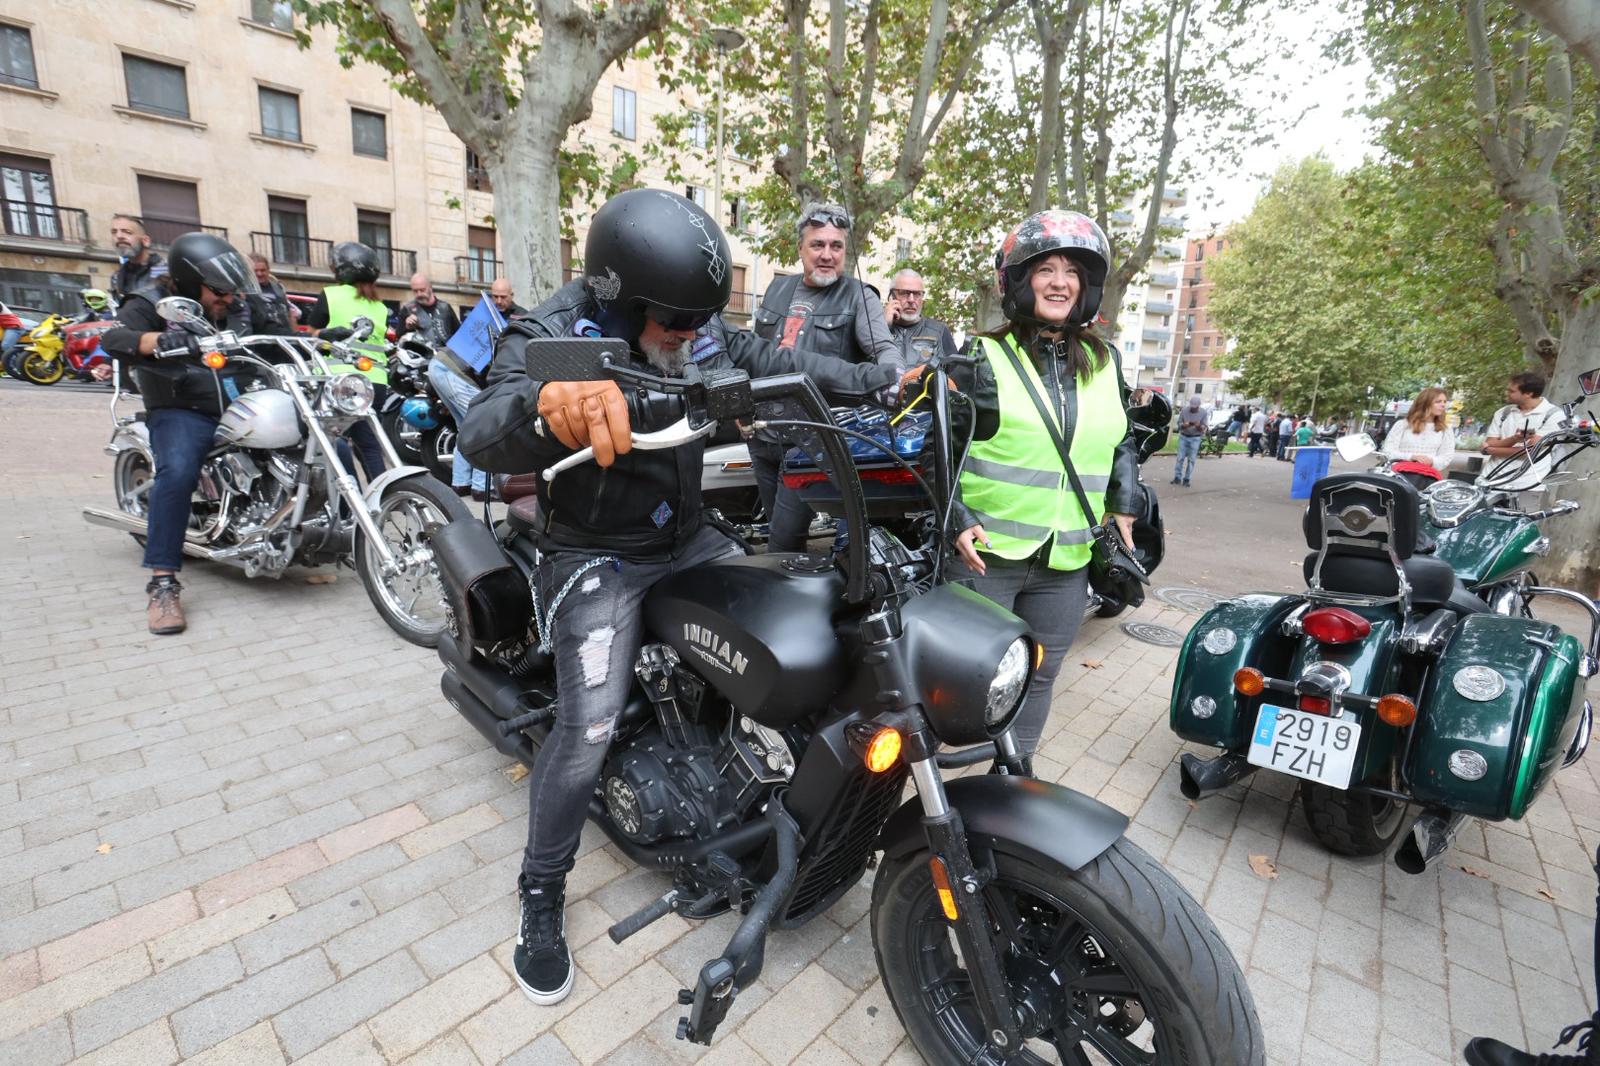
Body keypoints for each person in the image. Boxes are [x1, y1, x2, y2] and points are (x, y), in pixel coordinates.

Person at [458, 189, 899, 1007]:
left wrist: (882, 377)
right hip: (596, 551)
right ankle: (541, 893)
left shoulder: (698, 327)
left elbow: (773, 362)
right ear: (618, 298)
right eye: (674, 325)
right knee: (586, 728)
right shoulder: (555, 334)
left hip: (689, 533)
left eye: (701, 324)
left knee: (790, 635)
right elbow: (481, 430)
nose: (691, 340)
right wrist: (544, 407)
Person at [936, 209, 1139, 762]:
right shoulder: (984, 356)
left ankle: (1012, 779)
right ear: (1019, 281)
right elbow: (940, 450)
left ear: (1086, 287)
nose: (1059, 282)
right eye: (1045, 269)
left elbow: (1122, 440)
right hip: (987, 557)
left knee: (1040, 678)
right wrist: (955, 520)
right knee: (970, 683)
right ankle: (939, 793)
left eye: (1072, 271)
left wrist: (1125, 502)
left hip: (1068, 562)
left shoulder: (1106, 361)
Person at [100, 233, 290, 634]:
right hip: (182, 407)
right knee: (179, 472)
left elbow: (282, 338)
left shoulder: (241, 304)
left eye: (231, 289)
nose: (227, 297)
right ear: (187, 281)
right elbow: (114, 339)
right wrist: (161, 339)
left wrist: (325, 341)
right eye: (218, 290)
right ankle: (163, 582)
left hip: (242, 401)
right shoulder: (150, 300)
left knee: (323, 444)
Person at [750, 202, 902, 551]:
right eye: (818, 244)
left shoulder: (858, 296)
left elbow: (884, 348)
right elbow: (755, 351)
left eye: (837, 246)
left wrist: (898, 377)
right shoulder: (777, 289)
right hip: (762, 436)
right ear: (800, 248)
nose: (827, 255)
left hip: (811, 441)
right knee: (779, 532)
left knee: (783, 541)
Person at [303, 242, 392, 481]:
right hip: (376, 382)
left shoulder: (331, 295)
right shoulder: (380, 306)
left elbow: (312, 336)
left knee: (335, 442)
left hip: (340, 381)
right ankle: (382, 496)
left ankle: (350, 500)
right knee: (370, 445)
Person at [1481, 370, 1566, 499]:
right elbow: (1491, 441)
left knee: (1522, 519)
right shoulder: (1504, 412)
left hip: (1528, 485)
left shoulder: (1554, 415)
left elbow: (1530, 452)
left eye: (1511, 391)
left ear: (1528, 393)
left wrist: (1491, 450)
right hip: (1491, 480)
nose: (1507, 393)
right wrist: (1514, 439)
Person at [884, 268, 957, 367]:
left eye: (917, 294)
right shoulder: (874, 328)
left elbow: (955, 375)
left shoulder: (940, 331)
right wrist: (883, 326)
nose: (911, 300)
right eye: (904, 293)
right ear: (892, 296)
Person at [108, 215, 166, 303]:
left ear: (145, 240)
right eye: (114, 232)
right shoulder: (117, 277)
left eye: (127, 232)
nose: (119, 236)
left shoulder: (164, 269)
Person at [399, 273, 461, 347]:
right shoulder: (407, 309)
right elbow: (398, 336)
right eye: (415, 291)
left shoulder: (445, 307)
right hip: (422, 356)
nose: (419, 294)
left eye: (422, 290)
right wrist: (407, 327)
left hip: (447, 356)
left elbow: (459, 333)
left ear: (430, 288)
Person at [249, 252, 299, 330]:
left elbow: (290, 314)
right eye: (255, 271)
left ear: (268, 270)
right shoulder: (245, 291)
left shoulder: (278, 288)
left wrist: (296, 336)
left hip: (284, 336)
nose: (259, 274)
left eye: (263, 270)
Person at [1172, 394, 1208, 486]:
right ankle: (1177, 477)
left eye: (1195, 407)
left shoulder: (1203, 413)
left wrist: (1199, 426)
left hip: (1195, 438)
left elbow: (1204, 427)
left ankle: (1187, 479)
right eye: (1192, 406)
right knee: (1180, 458)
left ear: (1198, 406)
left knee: (1191, 460)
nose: (1193, 408)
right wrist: (1184, 425)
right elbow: (1179, 423)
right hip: (1184, 436)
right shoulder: (1184, 411)